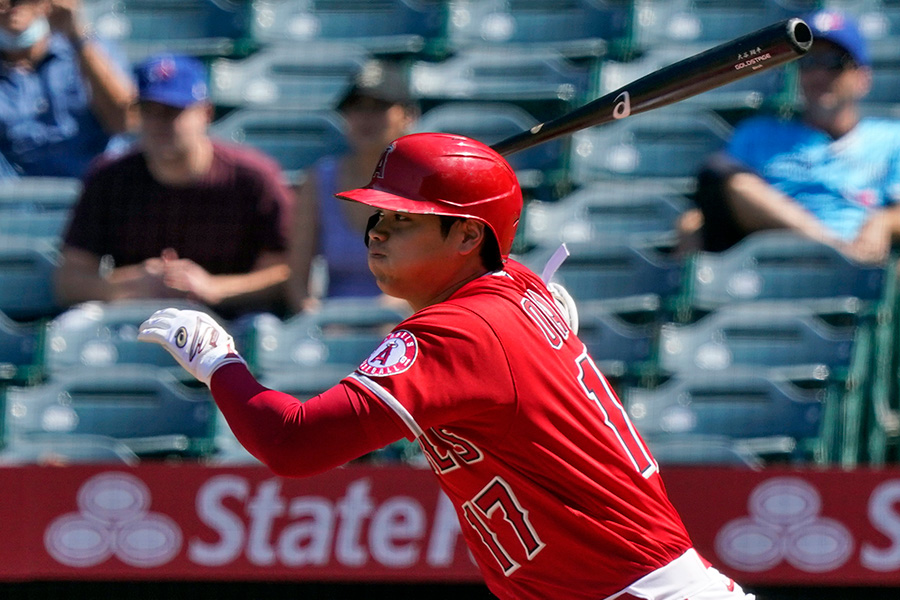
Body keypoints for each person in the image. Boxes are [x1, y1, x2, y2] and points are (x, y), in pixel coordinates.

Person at [138, 133, 753, 600]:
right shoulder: (512, 290)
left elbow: (292, 442)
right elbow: (515, 286)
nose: (376, 233)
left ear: (466, 237)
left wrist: (220, 362)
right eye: (377, 216)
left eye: (402, 218)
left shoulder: (462, 330)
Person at [54, 53, 292, 319]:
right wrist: (130, 283)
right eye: (148, 111)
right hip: (139, 322)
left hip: (231, 322)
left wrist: (214, 288)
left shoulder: (252, 176)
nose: (159, 123)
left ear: (206, 113)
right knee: (75, 323)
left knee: (261, 327)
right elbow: (69, 280)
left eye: (172, 112)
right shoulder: (109, 176)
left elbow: (289, 271)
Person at [685, 9, 900, 263]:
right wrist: (829, 245)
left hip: (861, 267)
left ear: (863, 78)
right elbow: (726, 188)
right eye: (808, 62)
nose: (819, 74)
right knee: (692, 222)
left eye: (833, 62)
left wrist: (884, 222)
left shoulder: (890, 138)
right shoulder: (759, 133)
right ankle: (832, 251)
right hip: (769, 261)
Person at [286, 59, 419, 311]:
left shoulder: (426, 182)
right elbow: (297, 282)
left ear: (408, 115)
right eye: (356, 107)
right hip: (332, 328)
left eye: (378, 107)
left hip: (407, 325)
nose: (365, 118)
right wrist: (315, 319)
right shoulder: (318, 180)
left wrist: (386, 316)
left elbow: (437, 276)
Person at [0, 0, 135, 179]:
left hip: (93, 193)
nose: (13, 6)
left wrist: (77, 36)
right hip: (14, 202)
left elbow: (126, 122)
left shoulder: (92, 47)